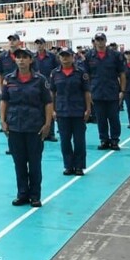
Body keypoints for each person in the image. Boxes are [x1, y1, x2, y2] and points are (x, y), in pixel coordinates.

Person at [0, 48, 53, 207]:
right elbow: (4, 101)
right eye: (18, 57)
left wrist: (48, 124)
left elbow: (48, 103)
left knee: (35, 163)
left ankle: (35, 195)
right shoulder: (9, 79)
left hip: (34, 127)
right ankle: (22, 194)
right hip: (15, 127)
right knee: (19, 162)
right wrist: (3, 121)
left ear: (31, 60)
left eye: (24, 57)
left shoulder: (40, 80)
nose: (21, 60)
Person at [50, 48, 92, 176]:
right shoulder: (55, 74)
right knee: (65, 141)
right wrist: (52, 109)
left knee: (79, 141)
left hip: (78, 111)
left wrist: (88, 108)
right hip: (62, 111)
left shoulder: (81, 73)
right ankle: (68, 166)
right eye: (62, 56)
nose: (65, 58)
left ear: (72, 57)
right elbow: (52, 93)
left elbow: (86, 92)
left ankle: (79, 166)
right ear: (59, 58)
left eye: (67, 56)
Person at [85, 33, 125, 150]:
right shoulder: (89, 56)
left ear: (106, 40)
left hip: (112, 91)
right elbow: (86, 76)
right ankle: (104, 140)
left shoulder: (115, 55)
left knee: (114, 118)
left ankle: (114, 140)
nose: (100, 42)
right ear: (95, 41)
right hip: (96, 92)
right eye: (98, 40)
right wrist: (88, 92)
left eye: (102, 39)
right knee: (101, 119)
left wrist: (122, 90)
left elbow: (122, 74)